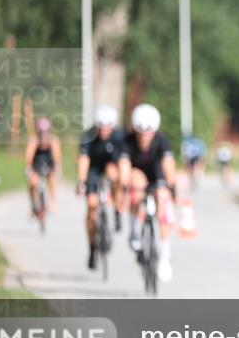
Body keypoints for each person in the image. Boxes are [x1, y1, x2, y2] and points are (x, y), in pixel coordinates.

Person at [118, 103, 177, 282]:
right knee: (136, 185)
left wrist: (171, 187)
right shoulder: (127, 141)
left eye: (148, 133)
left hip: (156, 172)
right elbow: (124, 166)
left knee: (162, 200)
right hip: (137, 172)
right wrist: (124, 186)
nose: (144, 137)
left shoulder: (162, 141)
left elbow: (168, 166)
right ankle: (134, 230)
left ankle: (165, 256)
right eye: (141, 133)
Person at [76, 106, 127, 270]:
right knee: (91, 206)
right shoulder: (88, 136)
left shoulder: (119, 136)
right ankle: (92, 249)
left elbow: (123, 162)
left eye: (108, 127)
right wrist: (81, 182)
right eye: (101, 126)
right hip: (93, 169)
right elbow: (83, 161)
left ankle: (118, 210)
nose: (104, 130)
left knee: (115, 175)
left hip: (110, 166)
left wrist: (123, 184)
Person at [25, 117, 62, 216]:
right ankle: (33, 205)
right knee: (33, 182)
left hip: (49, 163)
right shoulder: (34, 140)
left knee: (53, 177)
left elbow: (57, 158)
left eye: (46, 131)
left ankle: (53, 200)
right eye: (42, 132)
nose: (44, 134)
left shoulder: (53, 141)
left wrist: (56, 168)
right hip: (36, 163)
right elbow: (29, 157)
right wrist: (30, 169)